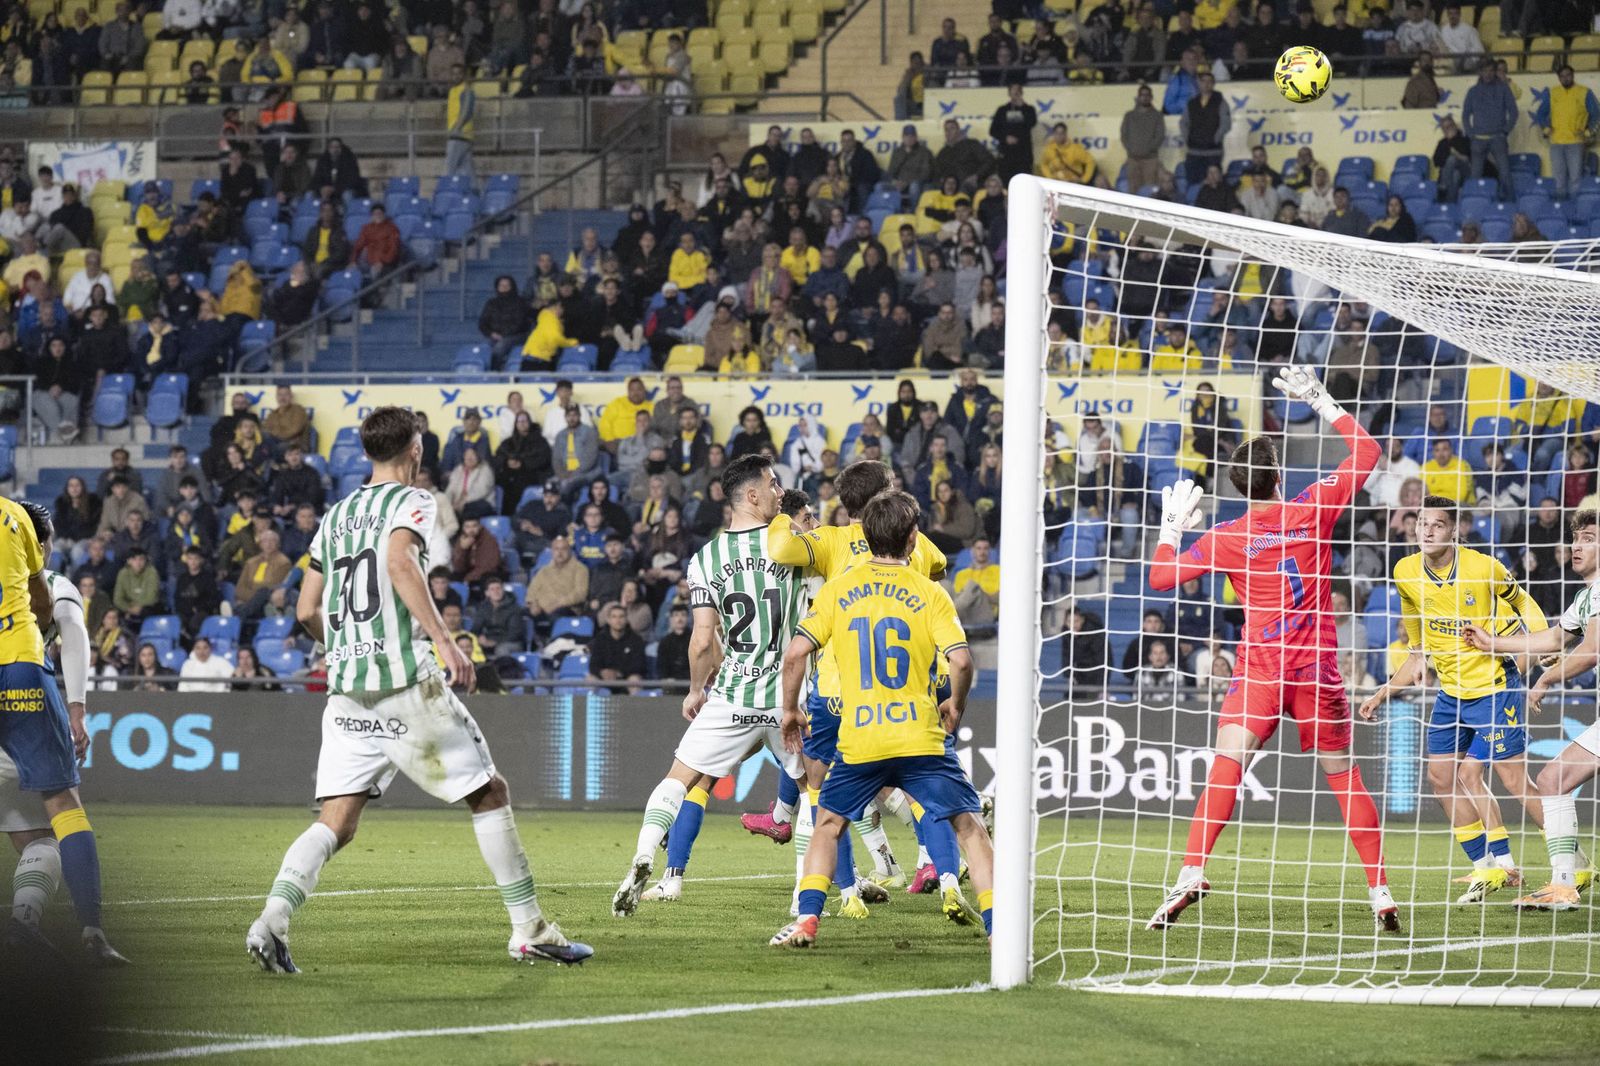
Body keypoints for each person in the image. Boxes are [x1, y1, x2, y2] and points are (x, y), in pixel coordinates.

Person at [245, 406, 591, 973]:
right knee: (489, 792)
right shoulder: (415, 500)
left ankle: (271, 922)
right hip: (406, 684)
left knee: (336, 822)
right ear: (416, 449)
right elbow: (401, 561)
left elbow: (307, 608)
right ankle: (529, 929)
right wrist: (447, 642)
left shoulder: (335, 515)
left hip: (347, 692)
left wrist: (346, 645)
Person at [1145, 367, 1396, 933]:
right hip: (1318, 669)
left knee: (1226, 767)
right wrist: (1321, 401)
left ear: (1238, 487)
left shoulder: (1228, 537)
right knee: (1344, 776)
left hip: (1261, 669)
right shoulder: (1312, 507)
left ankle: (1191, 871)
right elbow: (1370, 450)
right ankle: (1379, 891)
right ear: (1278, 476)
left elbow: (1162, 579)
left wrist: (1171, 527)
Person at [770, 489, 991, 948]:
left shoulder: (838, 590)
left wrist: (791, 710)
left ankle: (807, 921)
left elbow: (795, 655)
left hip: (861, 738)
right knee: (969, 827)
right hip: (920, 738)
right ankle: (998, 930)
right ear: (912, 539)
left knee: (828, 826)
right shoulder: (930, 593)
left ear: (865, 537)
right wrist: (956, 704)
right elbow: (963, 662)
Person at [744, 460, 962, 901]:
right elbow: (938, 567)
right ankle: (940, 870)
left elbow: (781, 548)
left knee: (825, 790)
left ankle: (838, 893)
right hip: (911, 685)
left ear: (847, 507)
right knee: (921, 785)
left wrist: (785, 509)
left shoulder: (831, 541)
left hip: (841, 688)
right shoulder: (916, 544)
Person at [611, 455, 809, 917]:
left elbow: (702, 640)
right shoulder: (797, 543)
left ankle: (642, 858)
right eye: (774, 484)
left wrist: (696, 690)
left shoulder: (705, 559)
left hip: (733, 694)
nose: (782, 491)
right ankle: (804, 892)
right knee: (814, 792)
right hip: (790, 699)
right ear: (753, 495)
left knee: (677, 780)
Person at [1363, 497, 1560, 903]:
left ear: (1454, 530)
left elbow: (1522, 600)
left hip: (1494, 685)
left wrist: (1543, 643)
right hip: (1451, 692)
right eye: (1421, 523)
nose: (1427, 530)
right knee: (1441, 778)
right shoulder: (1405, 571)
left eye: (1437, 524)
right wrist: (1411, 659)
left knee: (1511, 780)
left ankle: (1570, 866)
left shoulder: (1482, 567)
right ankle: (1488, 867)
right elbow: (1410, 609)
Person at [0, 496, 126, 962]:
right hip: (19, 672)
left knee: (31, 835)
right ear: (43, 542)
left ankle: (26, 921)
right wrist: (77, 709)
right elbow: (71, 639)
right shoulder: (19, 528)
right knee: (61, 813)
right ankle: (92, 932)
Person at [1461, 508, 1600, 909]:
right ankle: (1563, 884)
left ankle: (1563, 883)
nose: (1577, 545)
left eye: (1589, 537)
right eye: (1576, 537)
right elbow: (1554, 639)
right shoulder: (1587, 596)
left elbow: (1589, 652)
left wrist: (1545, 679)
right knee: (1553, 779)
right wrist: (1494, 644)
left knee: (1552, 778)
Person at [1536, 66, 1600, 203]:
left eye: (1568, 75)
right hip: (1556, 143)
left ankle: (1574, 209)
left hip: (1575, 142)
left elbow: (1597, 114)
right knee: (1559, 179)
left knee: (1575, 179)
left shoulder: (1584, 92)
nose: (1566, 78)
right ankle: (1562, 210)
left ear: (1573, 75)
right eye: (1562, 76)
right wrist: (1546, 129)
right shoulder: (1552, 93)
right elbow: (1540, 114)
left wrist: (1588, 132)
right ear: (1559, 78)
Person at [1462, 59, 1517, 200]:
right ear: (1479, 72)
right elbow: (1465, 115)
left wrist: (1505, 131)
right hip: (1478, 141)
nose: (1488, 74)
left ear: (1495, 72)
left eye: (1491, 70)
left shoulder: (1504, 88)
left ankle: (1511, 205)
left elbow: (1513, 112)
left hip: (1498, 138)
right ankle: (1475, 204)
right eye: (1485, 70)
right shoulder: (1472, 91)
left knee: (1505, 174)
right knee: (1475, 176)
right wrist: (1471, 134)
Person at [1180, 71, 1229, 186]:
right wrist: (1188, 139)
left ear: (1213, 84)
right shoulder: (1192, 103)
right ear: (1198, 83)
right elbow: (1184, 122)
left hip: (1213, 152)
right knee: (1193, 184)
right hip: (1194, 151)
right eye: (1203, 81)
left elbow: (1226, 123)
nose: (1206, 84)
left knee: (1214, 184)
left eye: (1209, 81)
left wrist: (1215, 139)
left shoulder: (1220, 101)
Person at [1120, 83, 1165, 192]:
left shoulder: (1157, 116)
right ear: (1138, 97)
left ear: (1151, 97)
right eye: (1142, 95)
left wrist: (1149, 150)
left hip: (1150, 160)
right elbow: (1124, 135)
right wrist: (1131, 149)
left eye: (1147, 95)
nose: (1145, 97)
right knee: (1132, 191)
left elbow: (1160, 136)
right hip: (1132, 159)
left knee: (1149, 191)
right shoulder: (1129, 116)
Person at [988, 83, 1037, 183]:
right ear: (1009, 93)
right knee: (1006, 182)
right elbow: (993, 130)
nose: (1015, 93)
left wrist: (1022, 107)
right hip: (1006, 154)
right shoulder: (1002, 110)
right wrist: (1005, 138)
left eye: (1018, 90)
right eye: (1013, 90)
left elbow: (1032, 122)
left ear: (1022, 93)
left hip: (1023, 154)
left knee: (1024, 182)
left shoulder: (1029, 109)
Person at [445, 63, 477, 181]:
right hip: (458, 135)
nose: (456, 76)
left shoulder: (466, 90)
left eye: (458, 74)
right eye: (453, 74)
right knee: (467, 170)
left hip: (460, 135)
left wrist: (456, 128)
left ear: (463, 75)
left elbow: (466, 112)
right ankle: (475, 193)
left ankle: (448, 193)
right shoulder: (452, 90)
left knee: (450, 168)